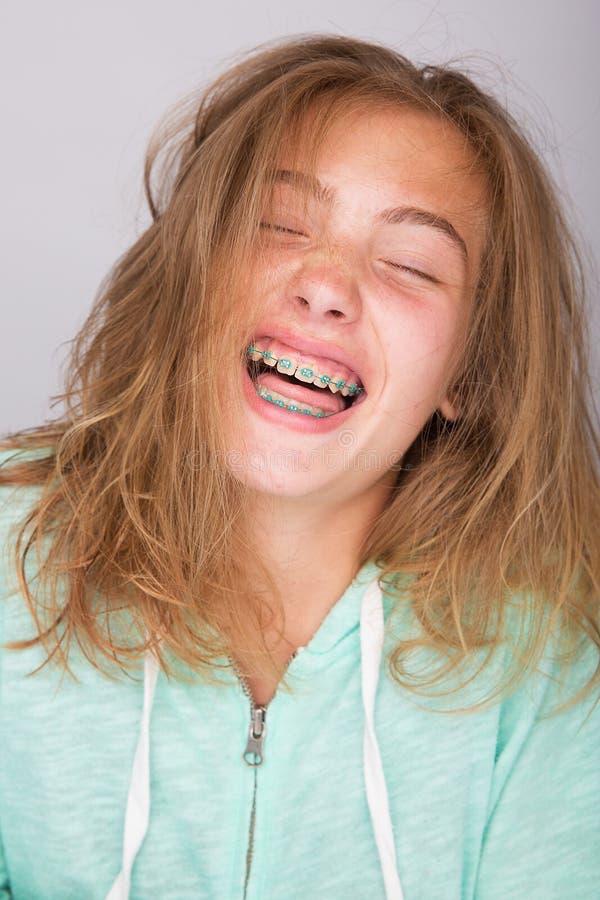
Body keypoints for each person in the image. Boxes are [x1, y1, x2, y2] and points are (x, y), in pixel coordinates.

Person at [0, 34, 598, 900]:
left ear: (470, 374)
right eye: (280, 225)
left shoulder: (544, 674)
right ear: (190, 278)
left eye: (408, 264)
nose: (326, 285)